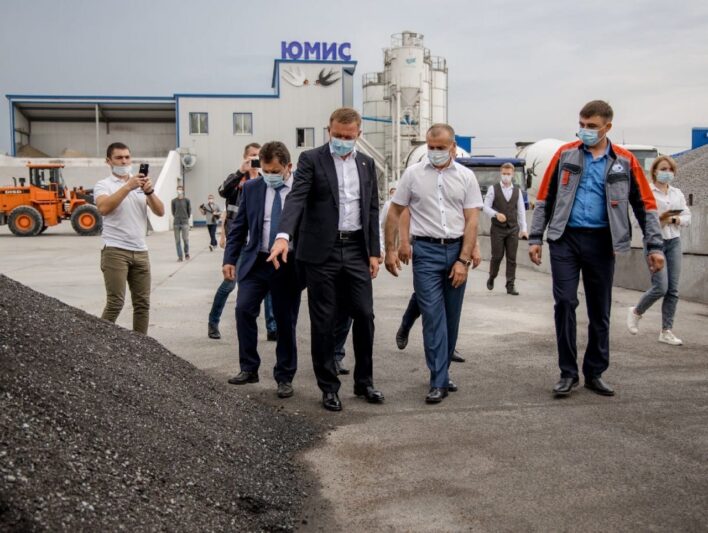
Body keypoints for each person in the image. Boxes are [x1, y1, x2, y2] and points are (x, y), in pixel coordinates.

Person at [528, 100, 665, 398]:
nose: (585, 131)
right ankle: (567, 373)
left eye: (592, 126)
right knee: (565, 303)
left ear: (607, 127)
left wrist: (654, 246)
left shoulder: (625, 161)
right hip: (565, 239)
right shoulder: (564, 154)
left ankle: (595, 372)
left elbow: (645, 205)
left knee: (599, 310)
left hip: (602, 242)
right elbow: (545, 197)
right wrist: (536, 237)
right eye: (582, 125)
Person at [269, 107, 384, 412]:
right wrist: (283, 236)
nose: (342, 141)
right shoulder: (311, 159)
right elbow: (296, 198)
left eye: (348, 136)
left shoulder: (366, 163)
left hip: (356, 249)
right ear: (329, 130)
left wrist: (374, 251)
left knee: (365, 315)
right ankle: (329, 387)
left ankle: (364, 382)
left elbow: (372, 207)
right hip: (322, 252)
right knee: (323, 320)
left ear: (358, 134)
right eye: (337, 135)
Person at [385, 123, 483, 404]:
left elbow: (472, 220)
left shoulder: (466, 177)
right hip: (425, 252)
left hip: (455, 251)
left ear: (453, 147)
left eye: (441, 147)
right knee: (433, 317)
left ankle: (443, 370)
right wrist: (392, 248)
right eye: (431, 147)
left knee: (451, 319)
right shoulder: (413, 175)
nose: (436, 152)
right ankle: (438, 380)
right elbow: (396, 211)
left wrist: (464, 259)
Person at [223, 142, 302, 398]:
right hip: (256, 261)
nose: (269, 176)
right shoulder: (252, 187)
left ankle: (284, 376)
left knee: (285, 321)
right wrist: (229, 259)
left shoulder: (301, 189)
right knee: (243, 309)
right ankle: (249, 368)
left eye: (275, 171)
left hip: (287, 263)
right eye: (266, 170)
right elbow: (239, 227)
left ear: (288, 167)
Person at [207, 143, 276, 340]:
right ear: (245, 157)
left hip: (260, 244)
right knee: (230, 283)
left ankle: (272, 327)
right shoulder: (236, 181)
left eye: (258, 156)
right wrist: (240, 171)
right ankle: (213, 322)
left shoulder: (266, 180)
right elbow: (222, 191)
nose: (255, 159)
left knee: (269, 286)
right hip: (239, 244)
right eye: (252, 155)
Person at [94, 142, 165, 334]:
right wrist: (128, 187)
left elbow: (160, 212)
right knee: (115, 303)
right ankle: (98, 341)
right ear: (108, 161)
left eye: (127, 157)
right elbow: (103, 208)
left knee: (142, 304)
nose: (124, 161)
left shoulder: (140, 185)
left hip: (141, 251)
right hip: (115, 250)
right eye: (118, 158)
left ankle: (141, 345)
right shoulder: (104, 185)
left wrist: (149, 192)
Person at [627, 155, 691, 346]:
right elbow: (637, 220)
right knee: (661, 287)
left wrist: (674, 219)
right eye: (663, 169)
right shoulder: (646, 191)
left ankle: (666, 331)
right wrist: (657, 221)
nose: (667, 173)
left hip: (674, 241)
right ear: (655, 171)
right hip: (655, 243)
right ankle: (636, 311)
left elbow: (687, 216)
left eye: (670, 170)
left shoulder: (677, 193)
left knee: (673, 290)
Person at [483, 162, 528, 295]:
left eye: (508, 174)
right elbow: (485, 207)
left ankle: (510, 284)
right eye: (504, 174)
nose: (506, 176)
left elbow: (521, 211)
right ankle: (492, 276)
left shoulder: (517, 191)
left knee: (512, 258)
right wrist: (496, 214)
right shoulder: (493, 189)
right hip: (498, 229)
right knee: (497, 256)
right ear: (500, 173)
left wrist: (524, 229)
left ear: (512, 174)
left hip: (513, 229)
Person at [171, 186, 191, 261]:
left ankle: (186, 253)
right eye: (178, 189)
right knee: (177, 241)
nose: (179, 191)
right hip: (176, 223)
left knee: (185, 239)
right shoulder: (173, 201)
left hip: (184, 222)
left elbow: (189, 210)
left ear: (183, 191)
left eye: (180, 189)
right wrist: (177, 217)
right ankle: (180, 256)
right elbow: (173, 211)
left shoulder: (187, 200)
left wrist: (186, 217)